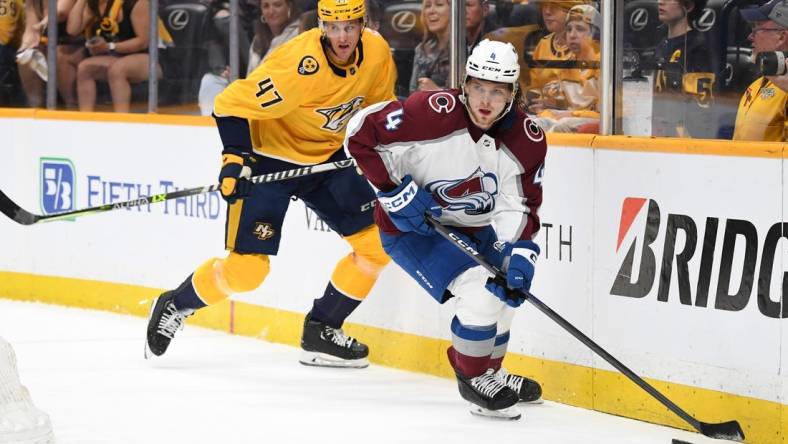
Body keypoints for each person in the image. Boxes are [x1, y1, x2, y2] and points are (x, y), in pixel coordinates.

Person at [145, 0, 397, 369]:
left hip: (327, 159)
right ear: (322, 26)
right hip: (269, 159)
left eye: (350, 26)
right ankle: (176, 303)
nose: (342, 37)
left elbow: (377, 112)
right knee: (248, 272)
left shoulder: (377, 52)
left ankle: (321, 329)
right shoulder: (297, 65)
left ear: (364, 24)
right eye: (333, 27)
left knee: (377, 246)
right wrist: (235, 159)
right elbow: (229, 103)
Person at [345, 39, 545, 419]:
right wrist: (393, 192)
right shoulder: (429, 111)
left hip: (474, 227)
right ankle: (473, 379)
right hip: (413, 231)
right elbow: (359, 136)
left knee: (506, 293)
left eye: (497, 92)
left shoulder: (527, 138)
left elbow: (520, 203)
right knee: (480, 294)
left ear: (513, 94)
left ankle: (491, 370)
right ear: (464, 84)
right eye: (479, 88)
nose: (486, 101)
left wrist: (518, 251)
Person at [199, 0, 301, 115]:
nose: (271, 11)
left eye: (277, 5)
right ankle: (211, 126)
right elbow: (251, 77)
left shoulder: (299, 35)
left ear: (289, 7)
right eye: (266, 6)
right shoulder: (259, 40)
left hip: (279, 99)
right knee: (210, 81)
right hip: (255, 95)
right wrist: (232, 77)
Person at [66, 0, 162, 112]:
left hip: (152, 58)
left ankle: (121, 120)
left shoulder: (138, 2)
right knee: (85, 68)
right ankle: (85, 119)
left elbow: (143, 42)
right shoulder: (95, 5)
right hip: (118, 56)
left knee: (118, 69)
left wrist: (109, 46)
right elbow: (72, 30)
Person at [531, 4, 600, 133]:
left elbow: (608, 115)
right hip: (571, 117)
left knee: (561, 126)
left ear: (594, 34)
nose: (572, 35)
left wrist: (572, 115)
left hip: (597, 124)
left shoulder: (603, 65)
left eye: (579, 29)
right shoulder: (566, 66)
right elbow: (561, 106)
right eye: (569, 29)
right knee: (534, 122)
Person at [651, 0, 715, 138]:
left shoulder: (696, 47)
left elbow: (702, 109)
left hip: (683, 142)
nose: (660, 2)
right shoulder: (661, 46)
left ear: (689, 6)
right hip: (659, 137)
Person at [733, 0, 788, 141]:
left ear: (781, 36)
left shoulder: (785, 88)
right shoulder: (756, 85)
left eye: (756, 29)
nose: (750, 37)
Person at [523, 0, 589, 115]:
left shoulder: (591, 48)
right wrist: (531, 100)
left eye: (555, 6)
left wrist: (557, 104)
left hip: (577, 120)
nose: (547, 12)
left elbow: (592, 102)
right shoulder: (543, 45)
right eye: (544, 5)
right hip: (543, 117)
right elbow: (535, 87)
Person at [19, 0, 86, 109]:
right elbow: (30, 28)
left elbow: (61, 12)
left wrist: (42, 24)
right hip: (48, 43)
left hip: (74, 43)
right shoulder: (34, 2)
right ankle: (35, 106)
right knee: (28, 56)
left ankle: (71, 107)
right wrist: (26, 44)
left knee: (59, 55)